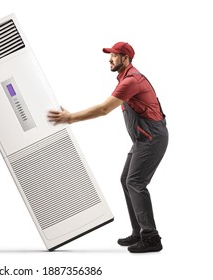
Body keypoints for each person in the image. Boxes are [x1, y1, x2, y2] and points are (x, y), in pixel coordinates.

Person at [48, 42, 168, 253]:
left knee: (135, 181)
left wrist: (71, 118)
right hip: (143, 139)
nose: (109, 59)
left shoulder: (132, 81)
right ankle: (139, 231)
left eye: (114, 55)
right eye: (110, 55)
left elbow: (104, 109)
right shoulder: (125, 79)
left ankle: (151, 238)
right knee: (126, 180)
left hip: (152, 138)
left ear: (126, 58)